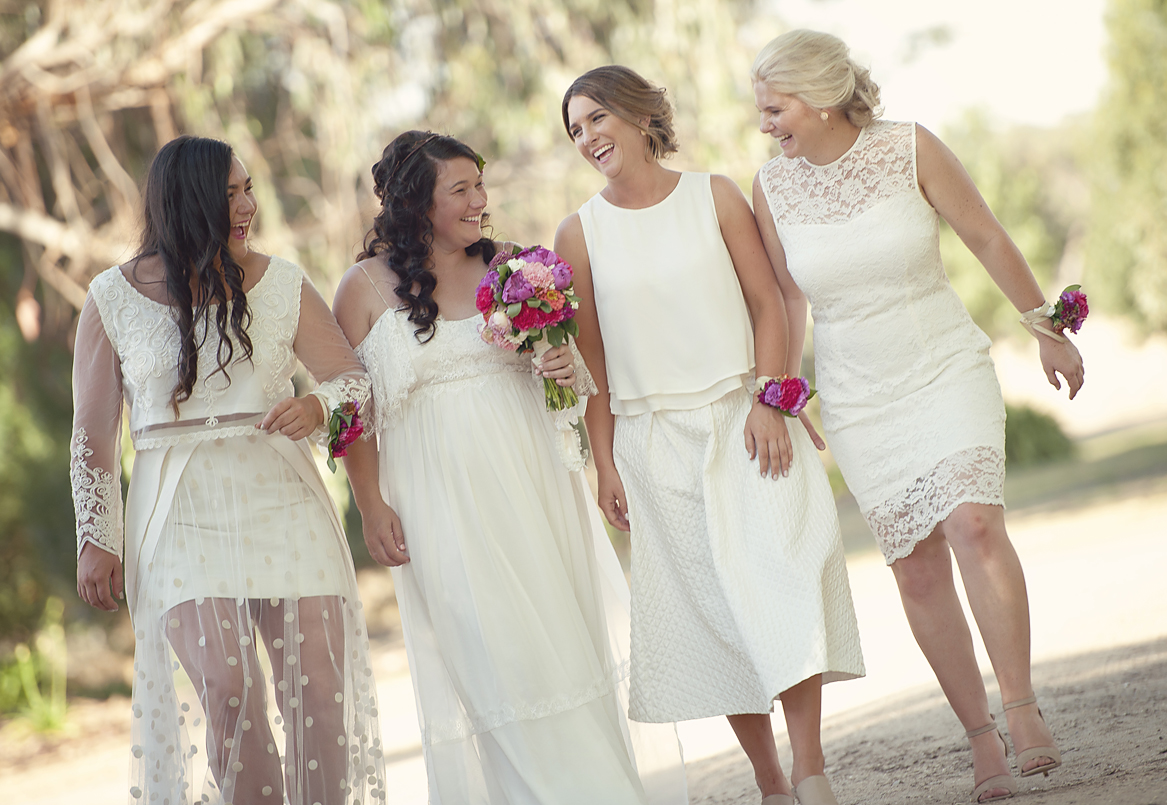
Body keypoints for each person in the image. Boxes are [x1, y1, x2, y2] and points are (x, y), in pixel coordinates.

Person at [749, 29, 1084, 804]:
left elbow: (983, 233)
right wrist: (780, 393)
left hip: (942, 365)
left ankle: (1021, 705)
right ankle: (979, 736)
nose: (763, 124)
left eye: (774, 107)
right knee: (916, 565)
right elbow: (787, 298)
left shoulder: (909, 147)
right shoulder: (771, 187)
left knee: (972, 521)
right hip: (858, 395)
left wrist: (1044, 328)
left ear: (820, 98)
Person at [331, 130, 688, 804]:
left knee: (562, 644)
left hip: (533, 484)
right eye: (460, 190)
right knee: (493, 658)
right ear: (416, 203)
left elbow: (572, 377)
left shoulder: (515, 267)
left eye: (480, 185)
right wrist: (371, 503)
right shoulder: (364, 288)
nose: (480, 201)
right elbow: (351, 409)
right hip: (441, 503)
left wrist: (559, 366)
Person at [555, 66, 865, 805]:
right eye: (574, 130)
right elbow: (592, 360)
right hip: (651, 441)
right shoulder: (578, 233)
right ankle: (770, 782)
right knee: (713, 609)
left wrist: (769, 400)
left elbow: (768, 304)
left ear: (638, 116)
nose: (587, 138)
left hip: (745, 420)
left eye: (597, 118)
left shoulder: (715, 196)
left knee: (784, 581)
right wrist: (604, 464)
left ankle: (810, 769)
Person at [72, 135, 385, 805]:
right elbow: (93, 431)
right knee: (228, 686)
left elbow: (356, 383)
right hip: (179, 512)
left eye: (248, 190)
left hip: (284, 499)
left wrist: (315, 405)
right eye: (230, 194)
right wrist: (96, 534)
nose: (247, 206)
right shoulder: (110, 297)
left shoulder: (282, 281)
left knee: (318, 693)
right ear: (187, 202)